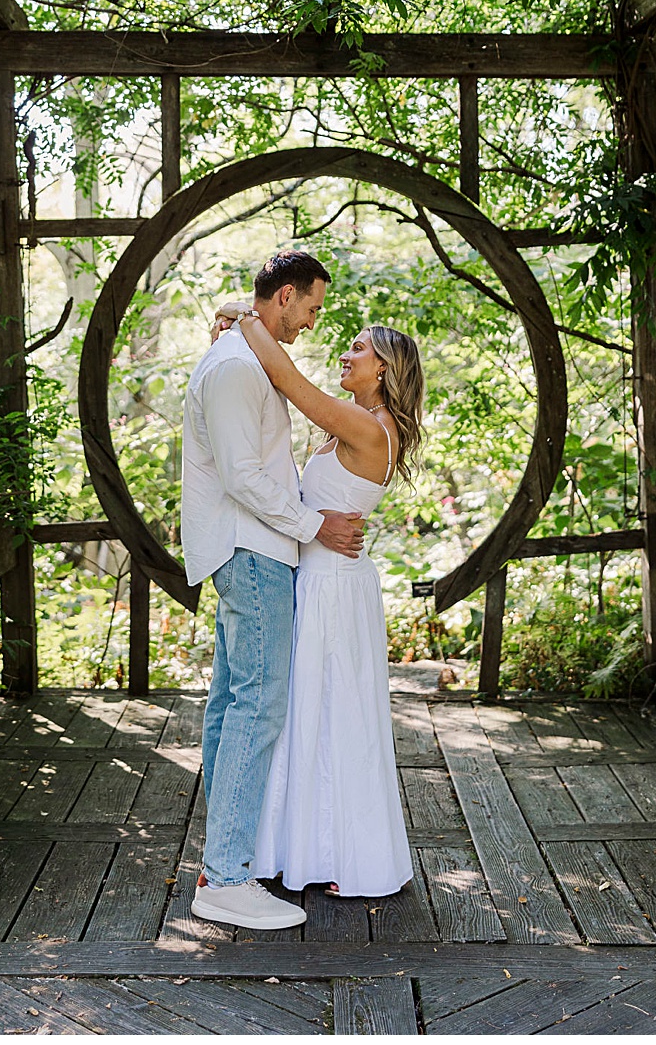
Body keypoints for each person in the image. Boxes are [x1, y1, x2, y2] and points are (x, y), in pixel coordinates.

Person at [181, 249, 365, 930]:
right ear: (284, 297)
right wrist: (314, 524)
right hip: (250, 551)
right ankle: (226, 879)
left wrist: (239, 312)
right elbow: (241, 477)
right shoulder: (233, 367)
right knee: (257, 708)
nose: (314, 323)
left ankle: (228, 858)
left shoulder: (242, 346)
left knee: (234, 705)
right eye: (312, 307)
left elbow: (246, 312)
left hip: (247, 550)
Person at [222, 302, 424, 900]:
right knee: (308, 712)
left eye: (359, 348)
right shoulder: (357, 421)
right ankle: (302, 847)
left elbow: (289, 381)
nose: (346, 353)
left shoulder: (369, 428)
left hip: (334, 586)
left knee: (334, 712)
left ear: (384, 369)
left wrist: (247, 318)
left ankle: (346, 855)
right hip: (318, 578)